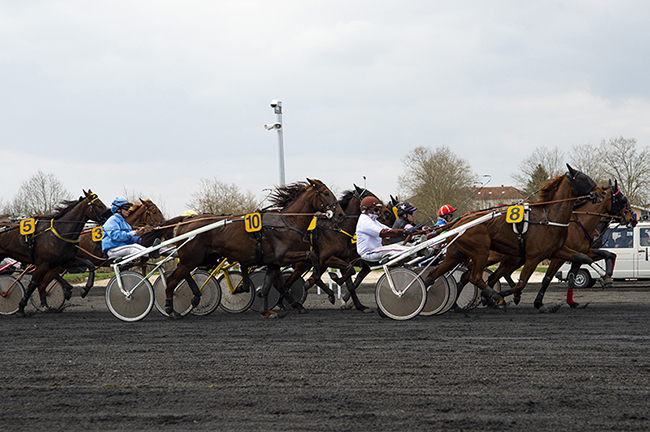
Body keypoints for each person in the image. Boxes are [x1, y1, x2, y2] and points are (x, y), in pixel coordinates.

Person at [356, 196, 409, 263]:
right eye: (376, 210)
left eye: (379, 209)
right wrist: (404, 232)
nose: (378, 212)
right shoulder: (364, 221)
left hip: (376, 250)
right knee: (403, 250)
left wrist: (412, 231)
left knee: (404, 245)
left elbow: (389, 230)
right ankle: (417, 253)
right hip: (369, 253)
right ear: (367, 210)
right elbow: (384, 233)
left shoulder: (373, 220)